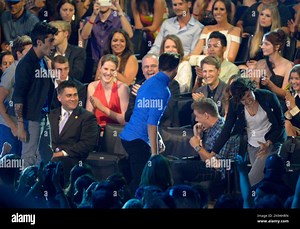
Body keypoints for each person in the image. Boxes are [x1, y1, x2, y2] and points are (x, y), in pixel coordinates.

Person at [120, 52, 181, 195]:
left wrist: (158, 139)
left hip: (130, 137)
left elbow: (147, 115)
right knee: (142, 181)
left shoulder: (147, 83)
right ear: (176, 69)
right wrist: (155, 154)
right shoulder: (163, 90)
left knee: (140, 179)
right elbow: (152, 123)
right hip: (137, 140)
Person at [211, 77, 287, 187]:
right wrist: (214, 151)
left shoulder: (268, 97)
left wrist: (269, 142)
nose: (247, 101)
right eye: (243, 100)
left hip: (271, 141)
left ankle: (245, 201)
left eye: (248, 95)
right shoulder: (234, 104)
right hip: (252, 144)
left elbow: (280, 124)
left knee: (252, 180)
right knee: (264, 181)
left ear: (252, 89)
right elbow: (227, 128)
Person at [12, 21, 58, 169]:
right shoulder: (26, 65)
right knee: (29, 157)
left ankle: (45, 186)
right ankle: (24, 189)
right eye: (50, 40)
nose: (53, 44)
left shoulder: (43, 60)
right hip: (30, 118)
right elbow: (18, 97)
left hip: (42, 115)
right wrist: (20, 125)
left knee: (46, 153)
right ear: (39, 42)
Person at [171, 98, 240, 189]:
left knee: (177, 167)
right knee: (172, 162)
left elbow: (217, 165)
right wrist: (198, 137)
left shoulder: (224, 131)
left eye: (197, 116)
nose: (196, 120)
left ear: (206, 115)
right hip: (209, 166)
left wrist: (197, 147)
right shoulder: (210, 129)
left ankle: (181, 199)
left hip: (221, 173)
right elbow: (204, 159)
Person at [49, 80, 98, 186]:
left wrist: (61, 153)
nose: (73, 99)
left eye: (75, 95)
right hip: (50, 158)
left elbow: (87, 144)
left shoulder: (87, 117)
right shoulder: (51, 115)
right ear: (59, 98)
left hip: (73, 159)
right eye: (69, 95)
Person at [125, 53, 180, 127]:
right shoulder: (137, 87)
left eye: (153, 66)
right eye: (146, 67)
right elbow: (128, 116)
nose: (150, 69)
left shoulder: (171, 85)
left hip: (164, 130)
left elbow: (164, 113)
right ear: (142, 70)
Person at [0, 35, 32, 157]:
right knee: (9, 164)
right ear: (19, 54)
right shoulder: (12, 71)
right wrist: (13, 126)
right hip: (9, 126)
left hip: (24, 124)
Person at [86, 54, 129, 129]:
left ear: (116, 71)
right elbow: (88, 118)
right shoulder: (92, 86)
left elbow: (125, 121)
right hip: (97, 131)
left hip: (116, 133)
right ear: (100, 68)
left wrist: (102, 108)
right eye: (105, 69)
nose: (108, 73)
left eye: (112, 70)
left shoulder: (122, 88)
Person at [284, 64, 300, 136]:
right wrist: (290, 110)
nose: (293, 82)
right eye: (291, 78)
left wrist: (293, 107)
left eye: (297, 78)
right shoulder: (292, 96)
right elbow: (287, 119)